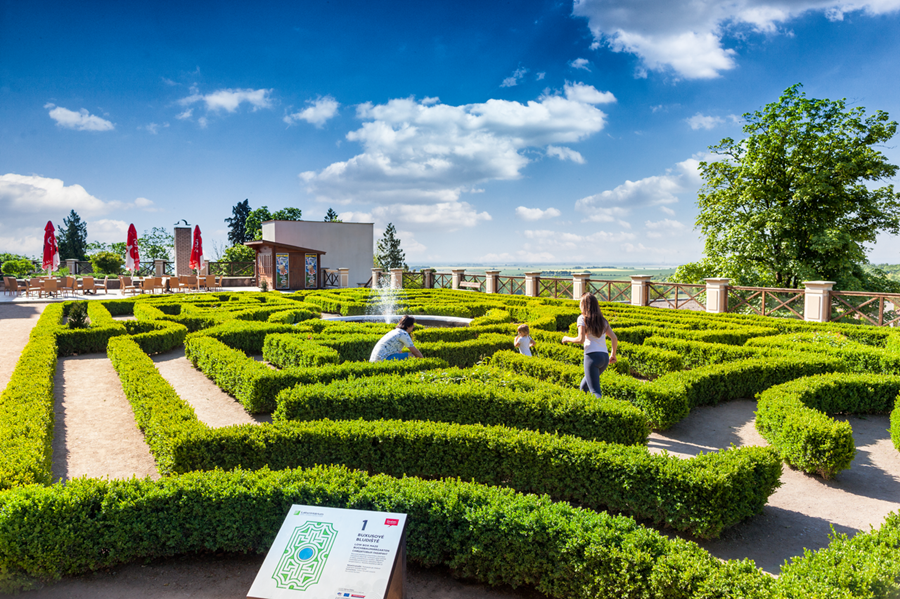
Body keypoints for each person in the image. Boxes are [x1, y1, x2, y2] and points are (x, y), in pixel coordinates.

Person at [561, 293, 617, 398]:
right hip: (604, 357)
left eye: (580, 303)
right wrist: (613, 354)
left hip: (592, 357)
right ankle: (587, 410)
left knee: (595, 391)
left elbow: (580, 339)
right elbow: (614, 338)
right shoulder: (603, 320)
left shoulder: (582, 318)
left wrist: (567, 338)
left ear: (584, 305)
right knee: (584, 386)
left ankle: (600, 412)